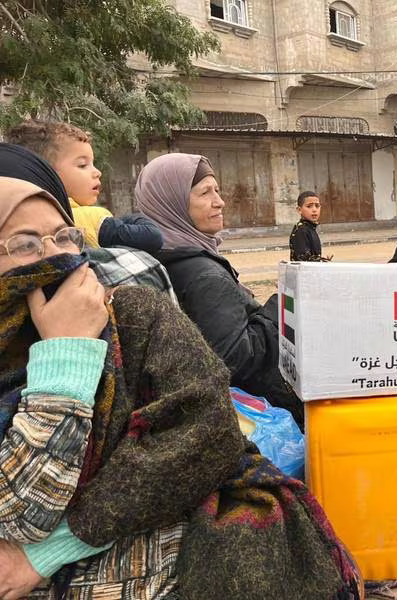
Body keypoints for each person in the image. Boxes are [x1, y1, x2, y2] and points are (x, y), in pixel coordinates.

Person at [0, 146, 361, 599]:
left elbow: (208, 431)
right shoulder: (188, 271)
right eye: (26, 244)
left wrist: (48, 552)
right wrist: (66, 358)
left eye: (64, 237)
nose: (55, 257)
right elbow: (23, 512)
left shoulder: (134, 313)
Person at [134, 152, 304, 426]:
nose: (219, 201)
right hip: (254, 415)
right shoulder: (203, 275)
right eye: (205, 193)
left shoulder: (164, 256)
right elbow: (237, 361)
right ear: (172, 204)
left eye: (217, 190)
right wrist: (282, 304)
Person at [6, 120, 162, 253]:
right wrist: (131, 218)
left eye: (93, 164)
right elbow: (152, 237)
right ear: (47, 173)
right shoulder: (91, 217)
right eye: (82, 165)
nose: (97, 172)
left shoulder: (16, 221)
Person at [290, 190, 331, 261]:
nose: (314, 210)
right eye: (309, 206)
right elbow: (304, 259)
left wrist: (322, 260)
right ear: (299, 210)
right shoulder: (300, 230)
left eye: (317, 206)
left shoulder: (310, 227)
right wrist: (322, 261)